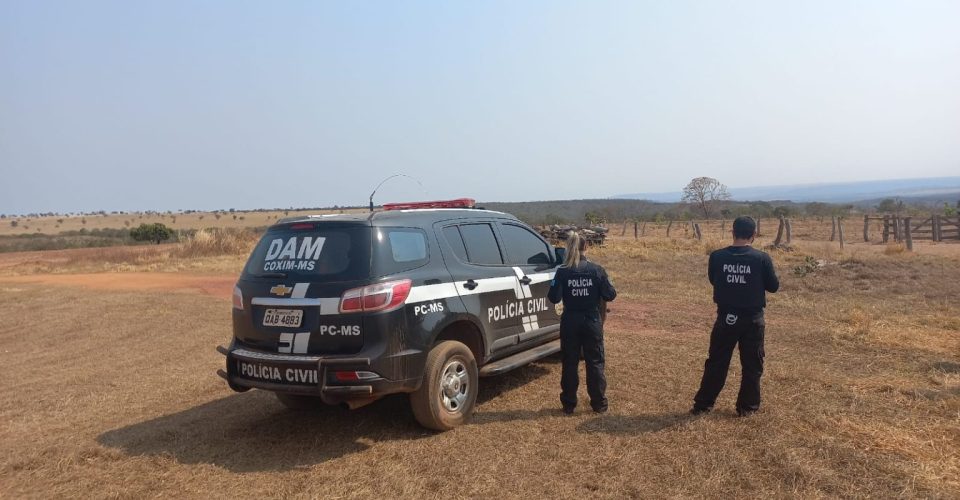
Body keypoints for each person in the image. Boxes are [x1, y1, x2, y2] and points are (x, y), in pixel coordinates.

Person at [692, 216, 780, 417]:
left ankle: (703, 405)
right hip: (753, 319)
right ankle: (747, 408)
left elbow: (714, 280)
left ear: (732, 232)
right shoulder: (761, 258)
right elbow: (773, 287)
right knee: (752, 365)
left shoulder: (717, 256)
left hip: (725, 318)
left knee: (716, 362)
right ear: (754, 235)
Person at [548, 231, 617, 414]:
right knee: (594, 362)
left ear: (569, 248)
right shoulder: (597, 270)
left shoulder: (562, 272)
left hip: (570, 321)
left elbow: (553, 297)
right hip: (592, 321)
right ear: (586, 247)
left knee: (569, 363)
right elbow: (610, 294)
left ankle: (569, 404)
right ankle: (599, 404)